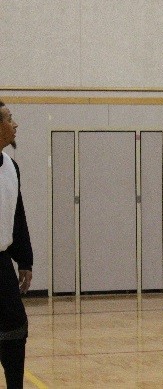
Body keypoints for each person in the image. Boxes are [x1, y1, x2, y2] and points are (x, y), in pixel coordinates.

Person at [0, 101, 34, 389]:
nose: (15, 124)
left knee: (15, 328)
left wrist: (25, 259)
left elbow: (16, 215)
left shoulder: (12, 167)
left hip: (1, 263)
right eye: (9, 118)